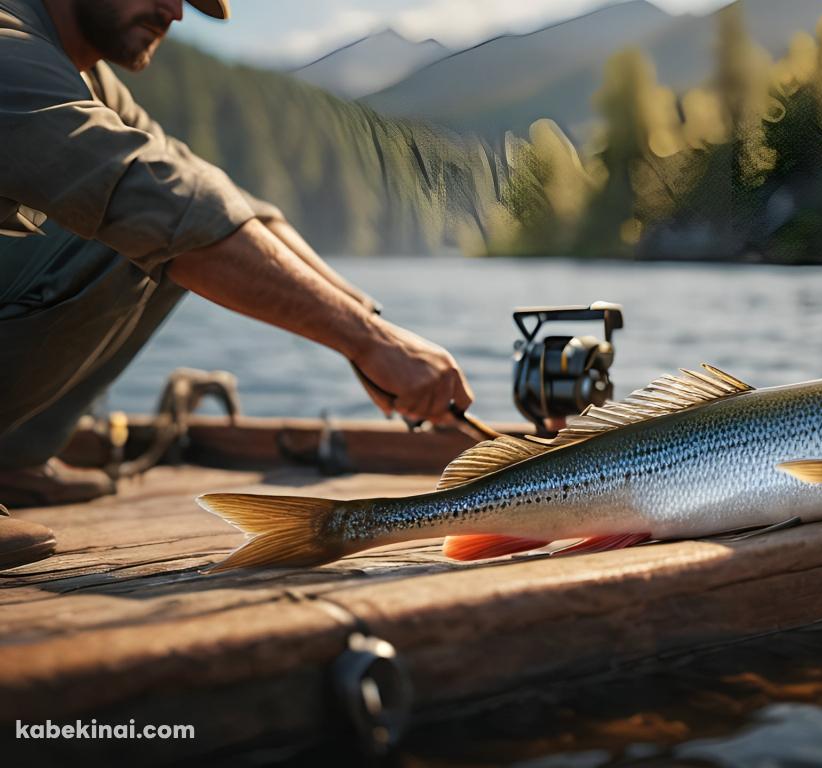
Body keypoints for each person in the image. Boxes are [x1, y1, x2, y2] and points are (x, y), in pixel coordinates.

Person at [0, 0, 475, 567]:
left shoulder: (90, 79)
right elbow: (155, 199)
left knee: (178, 221)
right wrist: (371, 345)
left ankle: (12, 457)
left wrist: (370, 326)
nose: (174, 11)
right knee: (146, 223)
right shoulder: (9, 48)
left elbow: (217, 196)